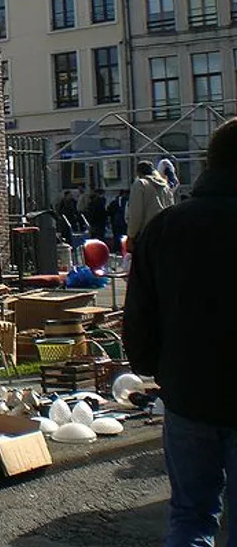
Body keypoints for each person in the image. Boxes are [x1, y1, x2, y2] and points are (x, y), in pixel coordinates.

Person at [124, 118, 237, 546]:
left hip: (188, 392)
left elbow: (139, 316)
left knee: (191, 519)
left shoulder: (165, 228)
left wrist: (155, 369)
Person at [126, 160, 174, 252]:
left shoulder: (140, 184)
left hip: (146, 234)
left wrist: (131, 235)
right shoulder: (165, 186)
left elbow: (136, 213)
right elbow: (171, 208)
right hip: (164, 233)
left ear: (138, 172)